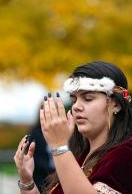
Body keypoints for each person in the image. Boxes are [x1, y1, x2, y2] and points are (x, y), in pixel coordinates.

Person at [14, 61, 132, 194]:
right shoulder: (79, 156)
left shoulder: (126, 154)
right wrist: (27, 181)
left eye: (88, 99)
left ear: (116, 105)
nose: (76, 107)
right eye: (74, 100)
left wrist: (59, 146)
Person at [28, 117, 55, 192]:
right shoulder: (35, 133)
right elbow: (35, 157)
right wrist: (51, 171)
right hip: (41, 177)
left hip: (59, 175)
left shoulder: (59, 131)